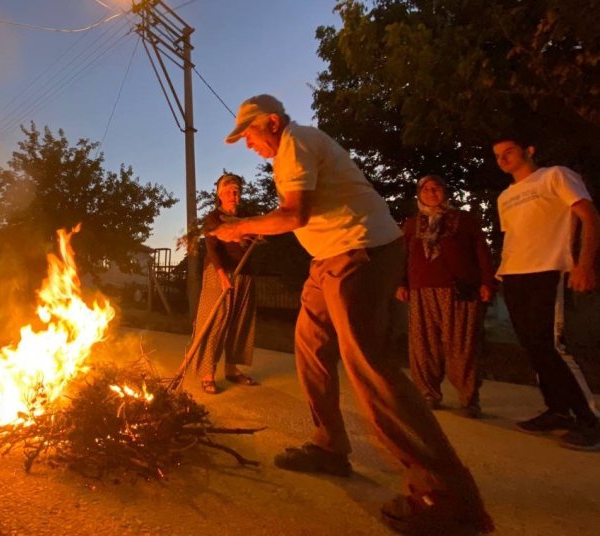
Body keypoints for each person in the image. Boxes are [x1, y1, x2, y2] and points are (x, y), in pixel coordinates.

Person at [213, 94, 493, 534]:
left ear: (271, 122)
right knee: (309, 345)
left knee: (370, 366)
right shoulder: (287, 153)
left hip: (358, 253)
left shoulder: (296, 142)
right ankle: (329, 446)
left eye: (248, 134)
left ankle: (448, 496)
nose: (247, 144)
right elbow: (303, 215)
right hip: (327, 261)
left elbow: (294, 214)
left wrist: (240, 226)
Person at [492, 136, 600, 451]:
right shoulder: (506, 196)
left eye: (508, 151)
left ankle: (589, 420)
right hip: (513, 274)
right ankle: (557, 410)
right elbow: (515, 236)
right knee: (532, 346)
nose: (502, 158)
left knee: (550, 345)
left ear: (529, 150)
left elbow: (589, 217)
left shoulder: (555, 176)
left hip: (547, 269)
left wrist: (584, 264)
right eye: (497, 156)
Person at [396, 175, 495, 418]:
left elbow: (481, 250)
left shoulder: (465, 220)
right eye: (426, 189)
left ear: (444, 191)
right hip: (421, 288)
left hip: (458, 288)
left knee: (462, 343)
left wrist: (486, 282)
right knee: (423, 343)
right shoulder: (411, 224)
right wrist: (401, 282)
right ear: (419, 194)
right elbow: (403, 255)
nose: (431, 192)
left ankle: (469, 399)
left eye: (436, 188)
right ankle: (428, 393)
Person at [191, 173, 258, 394]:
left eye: (237, 190)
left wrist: (251, 238)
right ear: (220, 194)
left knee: (240, 322)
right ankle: (207, 373)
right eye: (229, 190)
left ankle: (231, 369)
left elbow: (252, 240)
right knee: (215, 322)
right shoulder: (214, 218)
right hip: (219, 273)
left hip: (244, 274)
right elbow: (212, 248)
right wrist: (221, 275)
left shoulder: (246, 218)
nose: (234, 194)